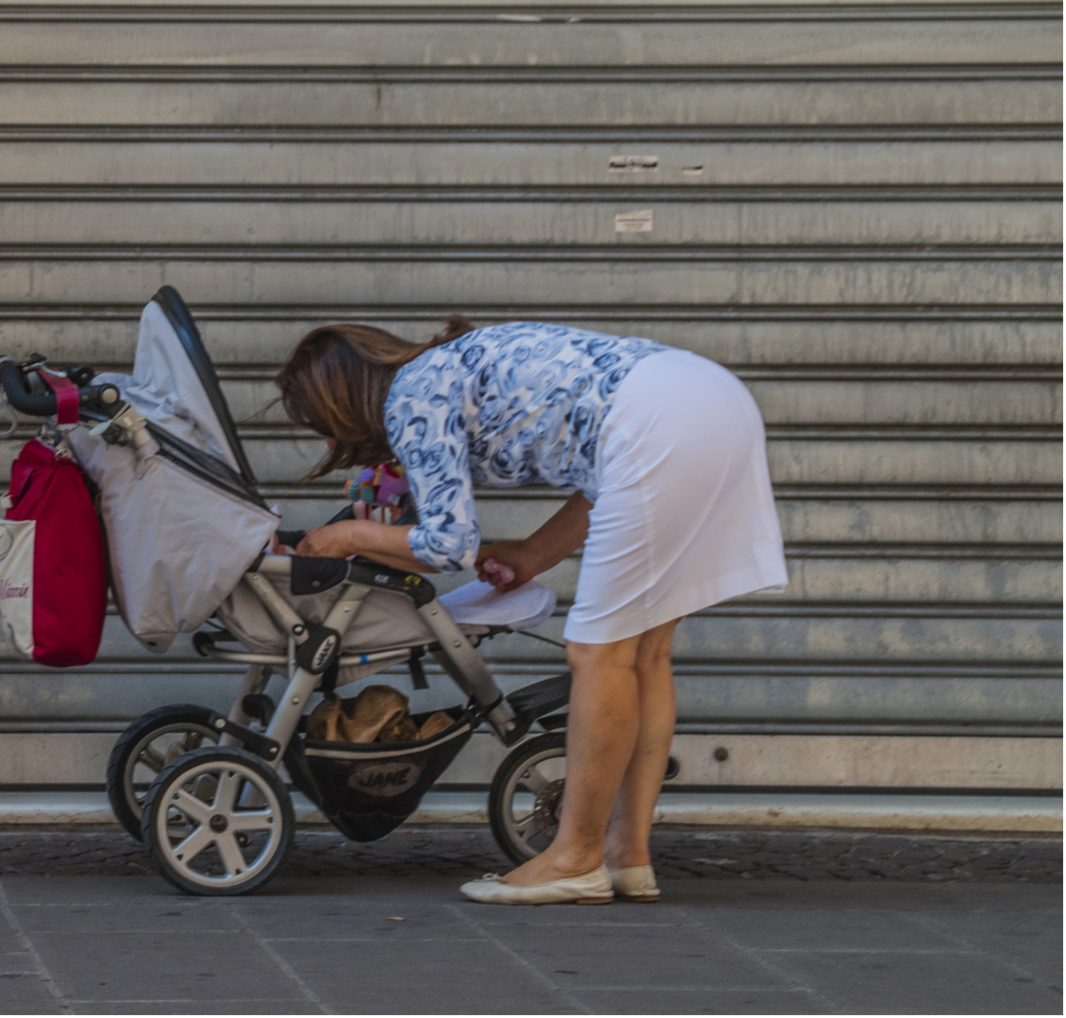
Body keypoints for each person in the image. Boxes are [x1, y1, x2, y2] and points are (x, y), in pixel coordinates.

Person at [276, 319, 787, 905]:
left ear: (341, 407)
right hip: (709, 398)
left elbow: (449, 546)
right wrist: (533, 553)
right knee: (645, 655)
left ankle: (574, 859)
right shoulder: (453, 362)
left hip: (657, 423)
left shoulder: (411, 395)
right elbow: (608, 469)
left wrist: (346, 538)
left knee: (600, 655)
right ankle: (628, 857)